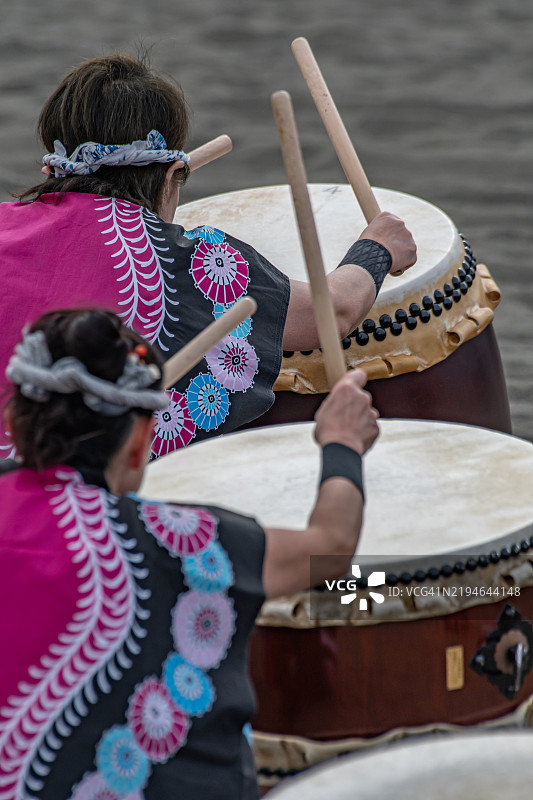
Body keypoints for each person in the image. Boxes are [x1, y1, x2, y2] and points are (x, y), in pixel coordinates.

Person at [0, 307, 378, 800]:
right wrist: (343, 442)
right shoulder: (177, 543)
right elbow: (329, 550)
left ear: (13, 420)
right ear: (139, 443)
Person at [0, 53, 415, 461]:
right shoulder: (191, 261)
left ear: (51, 169)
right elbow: (331, 311)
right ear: (170, 176)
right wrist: (378, 248)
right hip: (86, 496)